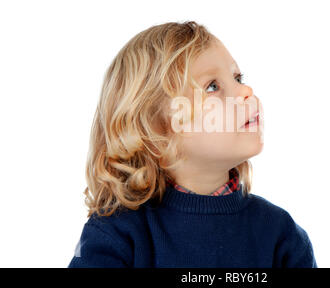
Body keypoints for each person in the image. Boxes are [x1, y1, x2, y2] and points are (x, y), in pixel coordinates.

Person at [68, 21, 317, 268]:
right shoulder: (115, 235)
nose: (246, 91)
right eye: (212, 86)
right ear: (155, 133)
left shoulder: (281, 235)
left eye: (238, 77)